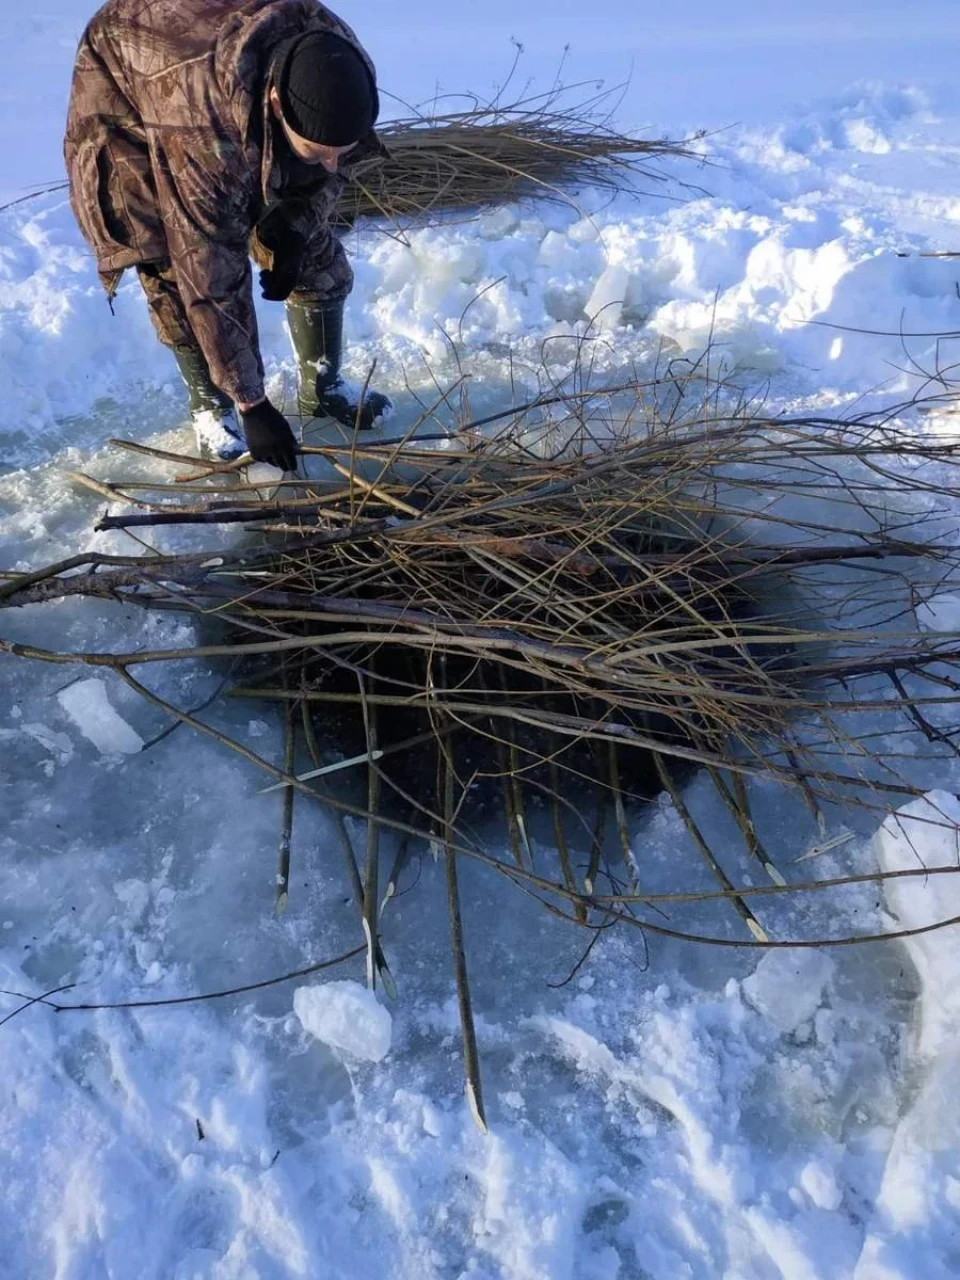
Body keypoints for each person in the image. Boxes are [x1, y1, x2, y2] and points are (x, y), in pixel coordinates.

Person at [64, 0, 393, 471]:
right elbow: (208, 267)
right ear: (277, 104)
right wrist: (252, 402)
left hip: (219, 62)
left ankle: (322, 387)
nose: (333, 163)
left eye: (341, 150)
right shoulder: (201, 133)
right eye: (319, 150)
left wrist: (296, 227)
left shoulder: (339, 60)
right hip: (128, 81)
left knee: (316, 250)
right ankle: (212, 411)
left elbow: (330, 161)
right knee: (167, 260)